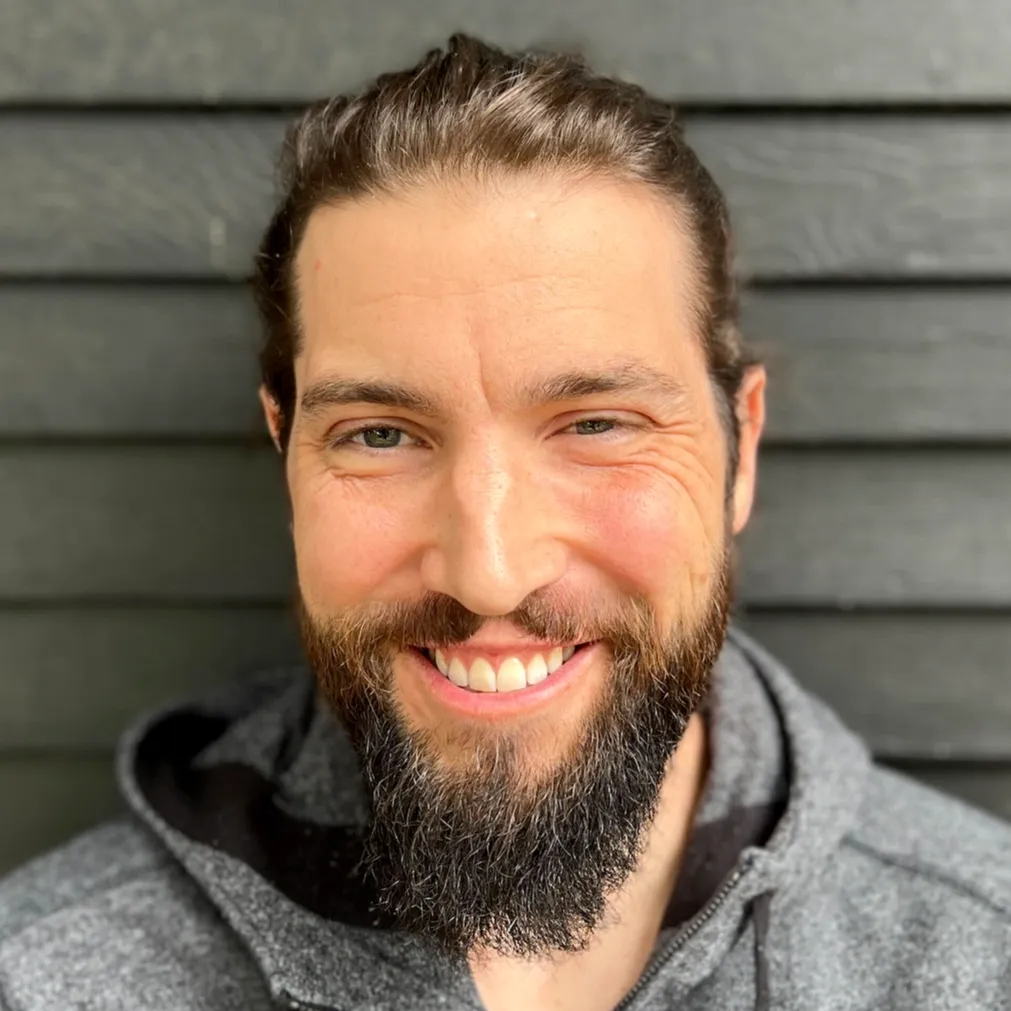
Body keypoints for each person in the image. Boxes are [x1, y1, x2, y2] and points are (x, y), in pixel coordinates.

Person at [2, 33, 1010, 1011]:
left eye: (598, 424)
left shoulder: (980, 955)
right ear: (287, 450)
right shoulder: (38, 976)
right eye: (381, 435)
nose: (488, 575)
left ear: (740, 449)